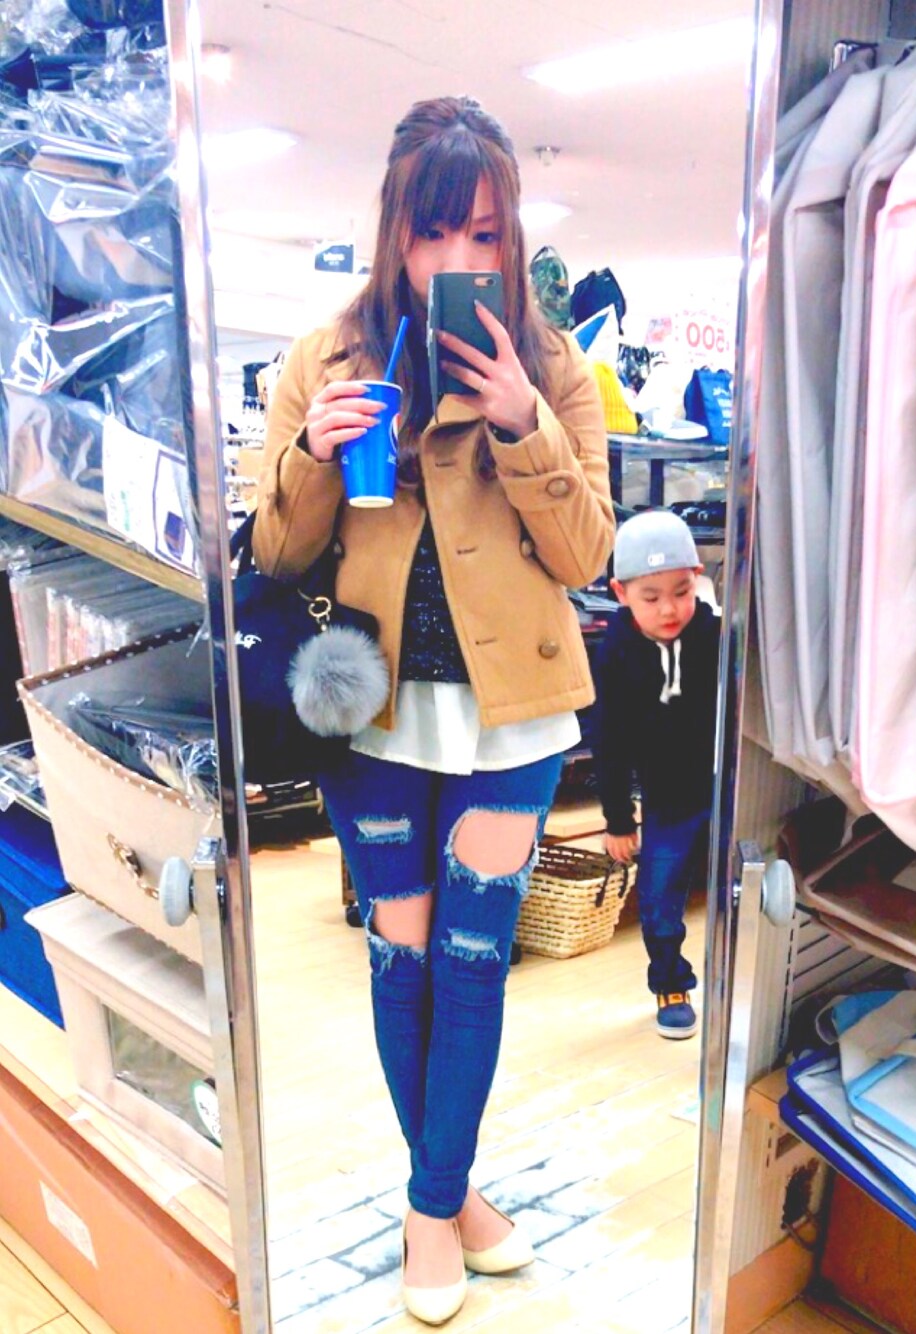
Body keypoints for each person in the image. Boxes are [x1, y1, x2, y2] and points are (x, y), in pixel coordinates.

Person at [253, 95, 613, 1325]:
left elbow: (586, 555)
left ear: (512, 238)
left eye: (485, 233)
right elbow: (277, 552)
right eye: (433, 231)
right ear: (392, 232)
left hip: (513, 716)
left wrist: (522, 421)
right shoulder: (326, 357)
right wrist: (312, 450)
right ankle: (451, 1191)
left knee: (471, 963)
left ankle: (426, 1206)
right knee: (399, 955)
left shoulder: (554, 367)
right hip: (371, 712)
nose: (458, 257)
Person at [592, 510, 720, 1040]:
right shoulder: (615, 656)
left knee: (749, 888)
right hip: (668, 801)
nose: (669, 609)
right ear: (621, 593)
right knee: (659, 896)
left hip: (730, 787)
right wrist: (619, 819)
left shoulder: (718, 635)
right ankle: (671, 984)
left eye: (681, 591)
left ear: (697, 579)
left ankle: (744, 983)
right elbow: (609, 744)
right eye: (651, 597)